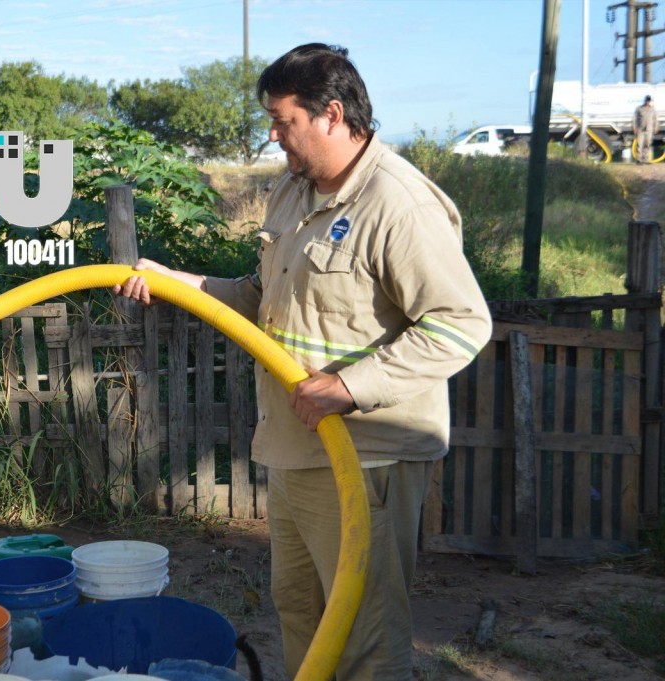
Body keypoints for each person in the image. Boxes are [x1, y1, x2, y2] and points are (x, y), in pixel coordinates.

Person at [114, 43, 492, 680]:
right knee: (301, 611)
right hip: (295, 446)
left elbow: (461, 325)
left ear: (331, 115)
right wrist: (178, 281)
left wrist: (349, 386)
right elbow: (265, 300)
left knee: (365, 632)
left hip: (366, 454)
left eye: (282, 120)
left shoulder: (398, 204)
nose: (271, 135)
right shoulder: (293, 192)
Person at [633, 95, 658, 163]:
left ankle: (646, 159)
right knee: (640, 144)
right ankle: (639, 159)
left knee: (648, 144)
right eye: (647, 100)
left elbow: (655, 119)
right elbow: (635, 119)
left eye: (649, 100)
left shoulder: (652, 109)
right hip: (640, 129)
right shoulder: (639, 108)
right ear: (645, 100)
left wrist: (656, 128)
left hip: (649, 130)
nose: (647, 102)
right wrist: (635, 128)